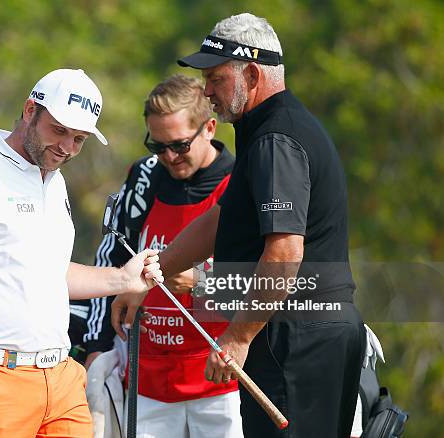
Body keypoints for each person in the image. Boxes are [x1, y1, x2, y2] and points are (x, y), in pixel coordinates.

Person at [111, 13, 366, 438]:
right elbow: (221, 218)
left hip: (296, 339)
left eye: (215, 78)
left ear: (251, 73)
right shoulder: (265, 128)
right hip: (303, 335)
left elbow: (285, 252)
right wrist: (151, 275)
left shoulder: (274, 139)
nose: (206, 91)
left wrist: (237, 337)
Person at [0, 68, 163, 438]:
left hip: (60, 379)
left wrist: (122, 278)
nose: (67, 147)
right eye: (59, 130)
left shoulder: (54, 179)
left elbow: (51, 273)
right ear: (31, 110)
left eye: (79, 139)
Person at [72, 75, 242, 437]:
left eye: (179, 146)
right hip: (146, 382)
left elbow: (270, 284)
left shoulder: (240, 184)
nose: (168, 157)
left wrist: (199, 284)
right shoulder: (144, 179)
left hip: (219, 382)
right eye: (157, 145)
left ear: (209, 128)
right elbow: (111, 259)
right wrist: (97, 348)